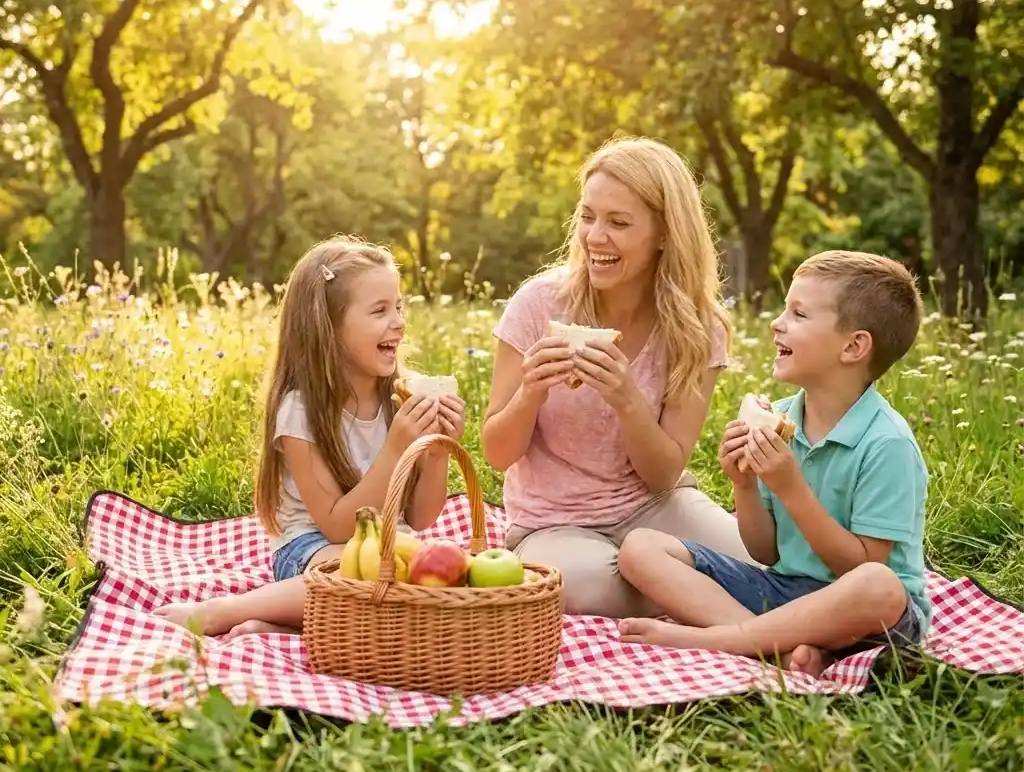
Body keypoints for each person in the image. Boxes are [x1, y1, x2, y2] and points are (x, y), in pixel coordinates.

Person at [617, 250, 930, 679]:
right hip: (786, 591)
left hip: (871, 615)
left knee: (878, 585)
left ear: (853, 346)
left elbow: (859, 569)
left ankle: (721, 640)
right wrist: (743, 486)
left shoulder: (886, 443)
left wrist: (790, 488)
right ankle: (781, 649)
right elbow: (766, 551)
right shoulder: (782, 417)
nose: (776, 322)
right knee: (641, 548)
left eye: (799, 314)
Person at [481, 135, 753, 618]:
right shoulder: (537, 305)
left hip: (654, 507)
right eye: (587, 217)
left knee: (753, 561)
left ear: (666, 233)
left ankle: (705, 596)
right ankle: (721, 607)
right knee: (582, 586)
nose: (594, 237)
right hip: (552, 525)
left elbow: (664, 473)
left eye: (619, 223)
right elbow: (497, 454)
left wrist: (627, 399)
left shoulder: (696, 328)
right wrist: (529, 393)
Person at [155, 236, 466, 638]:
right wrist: (396, 448)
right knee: (363, 583)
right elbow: (338, 528)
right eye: (379, 310)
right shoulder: (300, 412)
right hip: (311, 551)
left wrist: (438, 451)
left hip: (389, 544)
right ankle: (224, 611)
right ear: (328, 328)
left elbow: (421, 518)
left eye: (399, 307)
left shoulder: (400, 396)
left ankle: (276, 628)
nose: (399, 322)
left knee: (434, 585)